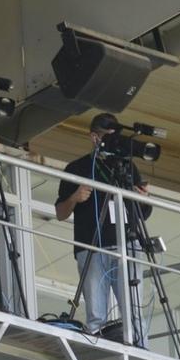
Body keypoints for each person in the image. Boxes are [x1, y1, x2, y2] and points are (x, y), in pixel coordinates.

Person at [55, 113, 151, 344]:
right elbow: (60, 213)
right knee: (96, 312)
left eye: (115, 138)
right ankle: (99, 352)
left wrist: (144, 199)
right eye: (107, 138)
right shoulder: (77, 168)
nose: (111, 143)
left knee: (133, 308)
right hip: (91, 246)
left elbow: (142, 215)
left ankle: (141, 350)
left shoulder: (127, 167)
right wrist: (75, 197)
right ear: (94, 138)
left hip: (126, 243)